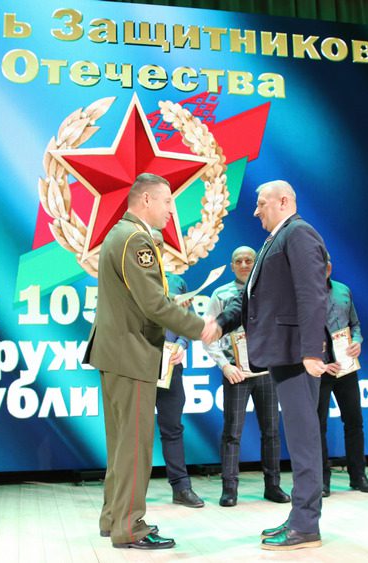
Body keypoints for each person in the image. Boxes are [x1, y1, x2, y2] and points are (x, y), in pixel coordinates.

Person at [84, 173, 219, 550]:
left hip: (116, 353)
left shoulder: (120, 234)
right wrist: (200, 327)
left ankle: (113, 518)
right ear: (146, 200)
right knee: (135, 446)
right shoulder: (136, 239)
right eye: (167, 202)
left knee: (121, 444)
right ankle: (130, 527)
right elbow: (153, 304)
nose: (171, 211)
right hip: (131, 354)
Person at [216, 180, 329, 551]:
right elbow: (254, 298)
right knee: (298, 438)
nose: (255, 210)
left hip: (297, 354)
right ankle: (299, 517)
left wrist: (311, 351)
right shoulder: (275, 239)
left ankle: (306, 526)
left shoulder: (299, 234)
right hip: (284, 353)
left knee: (304, 440)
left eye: (260, 203)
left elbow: (313, 295)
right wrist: (221, 323)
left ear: (283, 201)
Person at [203, 246, 290, 508]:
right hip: (236, 372)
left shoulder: (269, 292)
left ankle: (273, 486)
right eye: (238, 261)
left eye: (248, 260)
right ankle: (229, 489)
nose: (243, 264)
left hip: (266, 371)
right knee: (232, 432)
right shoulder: (221, 294)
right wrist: (224, 366)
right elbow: (208, 334)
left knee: (271, 431)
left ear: (256, 263)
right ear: (232, 266)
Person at [150, 229, 204, 509]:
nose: (153, 248)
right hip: (137, 366)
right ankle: (130, 495)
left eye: (157, 244)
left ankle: (181, 488)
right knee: (134, 431)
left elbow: (187, 320)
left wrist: (183, 343)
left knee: (172, 427)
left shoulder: (176, 282)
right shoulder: (127, 281)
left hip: (170, 366)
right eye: (148, 243)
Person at [318, 256, 368, 496]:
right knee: (317, 426)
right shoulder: (302, 294)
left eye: (324, 265)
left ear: (330, 267)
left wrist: (357, 342)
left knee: (354, 422)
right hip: (320, 369)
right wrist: (319, 362)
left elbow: (355, 324)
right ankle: (322, 480)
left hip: (346, 366)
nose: (320, 269)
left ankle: (358, 476)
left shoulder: (343, 290)